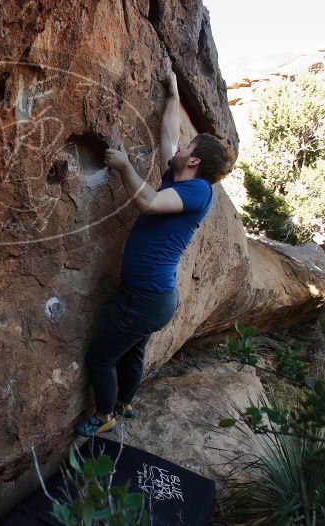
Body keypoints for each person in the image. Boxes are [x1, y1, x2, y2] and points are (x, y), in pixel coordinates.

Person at [74, 69, 234, 438]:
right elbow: (168, 133)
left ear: (194, 162)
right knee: (132, 352)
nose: (179, 149)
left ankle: (103, 416)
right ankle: (126, 403)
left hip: (145, 298)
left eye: (186, 150)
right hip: (152, 298)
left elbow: (147, 203)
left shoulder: (198, 193)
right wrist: (173, 93)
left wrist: (124, 166)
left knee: (101, 356)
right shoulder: (178, 177)